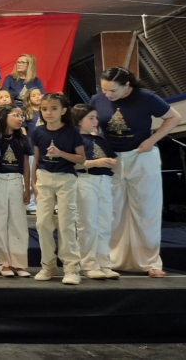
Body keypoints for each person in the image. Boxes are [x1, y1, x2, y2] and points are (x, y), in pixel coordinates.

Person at [90, 67, 180, 277]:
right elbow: (91, 122)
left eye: (112, 90)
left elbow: (174, 117)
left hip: (141, 156)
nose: (107, 94)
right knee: (112, 210)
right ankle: (111, 260)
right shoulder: (97, 99)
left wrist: (152, 140)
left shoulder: (146, 97)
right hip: (111, 159)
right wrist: (93, 135)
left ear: (127, 86)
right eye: (104, 89)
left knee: (146, 210)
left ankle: (149, 263)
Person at [31, 93, 86, 285]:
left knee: (66, 224)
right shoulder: (38, 132)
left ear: (63, 111)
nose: (48, 112)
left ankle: (71, 268)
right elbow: (36, 159)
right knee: (42, 223)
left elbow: (81, 159)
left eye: (54, 108)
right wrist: (33, 182)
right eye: (44, 109)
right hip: (44, 178)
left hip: (66, 179)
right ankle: (48, 265)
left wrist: (60, 153)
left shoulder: (72, 131)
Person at [72, 104, 120, 280]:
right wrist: (95, 163)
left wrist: (110, 162)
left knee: (104, 223)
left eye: (95, 118)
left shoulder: (99, 140)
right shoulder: (74, 140)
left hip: (104, 181)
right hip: (85, 180)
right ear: (79, 120)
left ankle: (104, 263)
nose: (95, 121)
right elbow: (73, 164)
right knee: (88, 223)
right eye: (90, 118)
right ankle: (88, 264)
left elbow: (112, 158)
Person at [0, 106, 32, 277]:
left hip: (16, 179)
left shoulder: (23, 139)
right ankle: (3, 262)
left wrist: (27, 188)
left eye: (22, 116)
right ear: (4, 117)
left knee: (18, 222)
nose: (20, 119)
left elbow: (26, 165)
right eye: (16, 115)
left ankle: (18, 262)